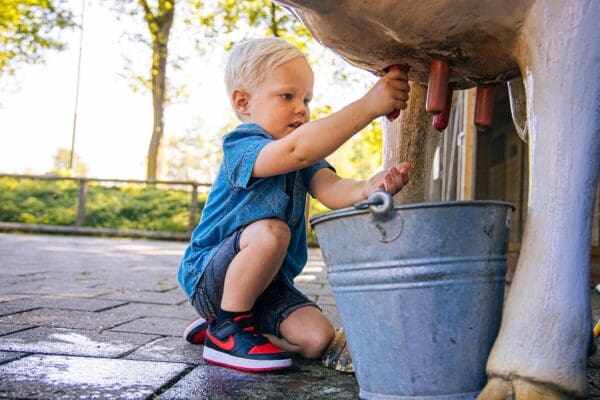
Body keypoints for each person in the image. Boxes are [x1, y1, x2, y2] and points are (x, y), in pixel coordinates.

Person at [178, 37, 411, 372]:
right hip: (210, 278)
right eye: (288, 96)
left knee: (318, 339)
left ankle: (226, 325)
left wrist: (367, 187)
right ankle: (227, 331)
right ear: (243, 102)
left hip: (267, 288)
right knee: (272, 231)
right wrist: (368, 106)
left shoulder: (303, 158)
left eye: (306, 99)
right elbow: (296, 151)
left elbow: (331, 189)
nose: (301, 107)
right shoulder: (242, 145)